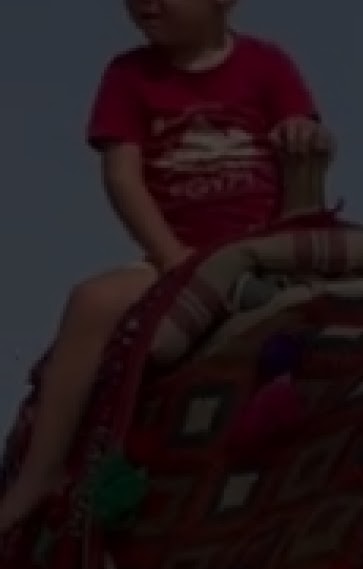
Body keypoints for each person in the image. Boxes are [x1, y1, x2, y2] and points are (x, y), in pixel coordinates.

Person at [0, 0, 330, 533]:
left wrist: (303, 140)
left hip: (264, 254)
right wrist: (174, 258)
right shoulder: (128, 76)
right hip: (172, 254)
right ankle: (41, 472)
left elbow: (302, 148)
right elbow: (122, 177)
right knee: (91, 301)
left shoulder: (268, 66)